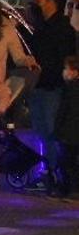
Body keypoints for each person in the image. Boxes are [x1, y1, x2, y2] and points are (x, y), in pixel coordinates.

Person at [27, 0, 77, 183]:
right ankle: (47, 168)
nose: (36, 5)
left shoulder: (63, 27)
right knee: (40, 130)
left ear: (51, 2)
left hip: (53, 86)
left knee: (51, 130)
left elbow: (65, 58)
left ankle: (57, 171)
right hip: (38, 84)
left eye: (39, 1)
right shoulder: (41, 26)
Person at [53, 56, 79, 197]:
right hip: (74, 131)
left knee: (66, 162)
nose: (65, 72)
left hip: (69, 133)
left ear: (75, 72)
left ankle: (67, 190)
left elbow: (64, 110)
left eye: (67, 69)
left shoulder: (70, 89)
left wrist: (58, 129)